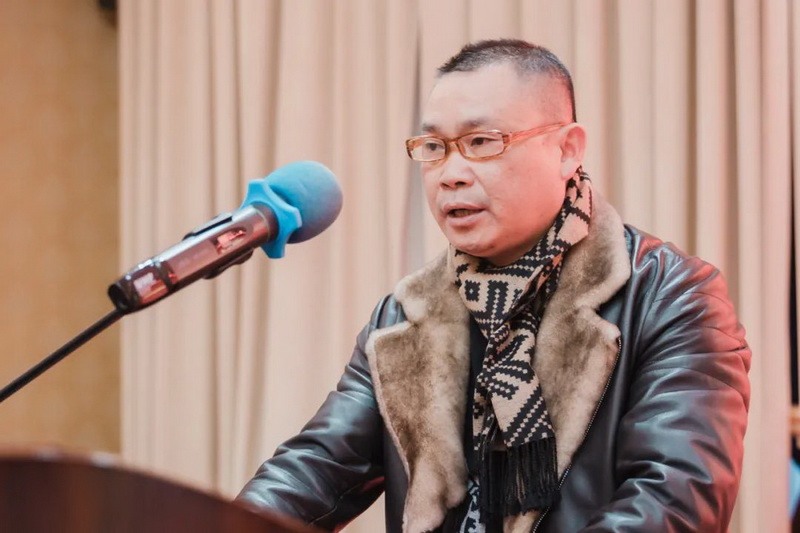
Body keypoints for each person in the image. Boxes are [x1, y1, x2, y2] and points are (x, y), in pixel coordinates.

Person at [237, 39, 751, 533]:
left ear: (567, 150)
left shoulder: (670, 296)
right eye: (434, 148)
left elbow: (676, 500)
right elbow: (317, 467)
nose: (450, 174)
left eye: (481, 142)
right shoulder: (404, 316)